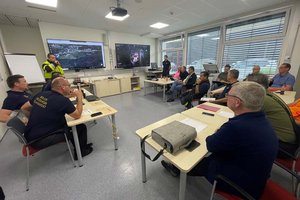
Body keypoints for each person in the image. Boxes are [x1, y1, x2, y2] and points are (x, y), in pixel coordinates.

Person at [162, 81, 278, 199]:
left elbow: (210, 144)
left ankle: (177, 169)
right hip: (255, 178)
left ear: (237, 102)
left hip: (237, 184)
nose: (226, 97)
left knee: (193, 159)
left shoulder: (236, 127)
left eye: (229, 95)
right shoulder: (262, 119)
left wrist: (219, 133)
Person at [21, 77, 92, 159]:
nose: (70, 87)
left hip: (30, 133)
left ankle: (81, 146)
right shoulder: (62, 101)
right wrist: (79, 97)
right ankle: (81, 152)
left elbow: (24, 107)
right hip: (40, 140)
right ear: (63, 87)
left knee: (70, 125)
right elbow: (77, 115)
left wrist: (35, 117)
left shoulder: (41, 94)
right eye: (69, 85)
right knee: (79, 127)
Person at [246, 73, 297, 156]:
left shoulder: (261, 99)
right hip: (288, 140)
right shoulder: (269, 94)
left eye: (247, 84)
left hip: (283, 145)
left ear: (258, 86)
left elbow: (241, 119)